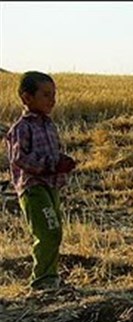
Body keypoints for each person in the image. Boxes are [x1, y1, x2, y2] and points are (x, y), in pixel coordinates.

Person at [5, 71, 77, 291]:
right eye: (46, 95)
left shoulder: (49, 125)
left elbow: (51, 153)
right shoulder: (21, 128)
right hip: (33, 187)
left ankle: (50, 276)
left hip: (51, 186)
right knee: (47, 231)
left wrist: (63, 161)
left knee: (55, 231)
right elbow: (19, 158)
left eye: (53, 94)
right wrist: (51, 166)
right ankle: (42, 281)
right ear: (27, 98)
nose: (52, 100)